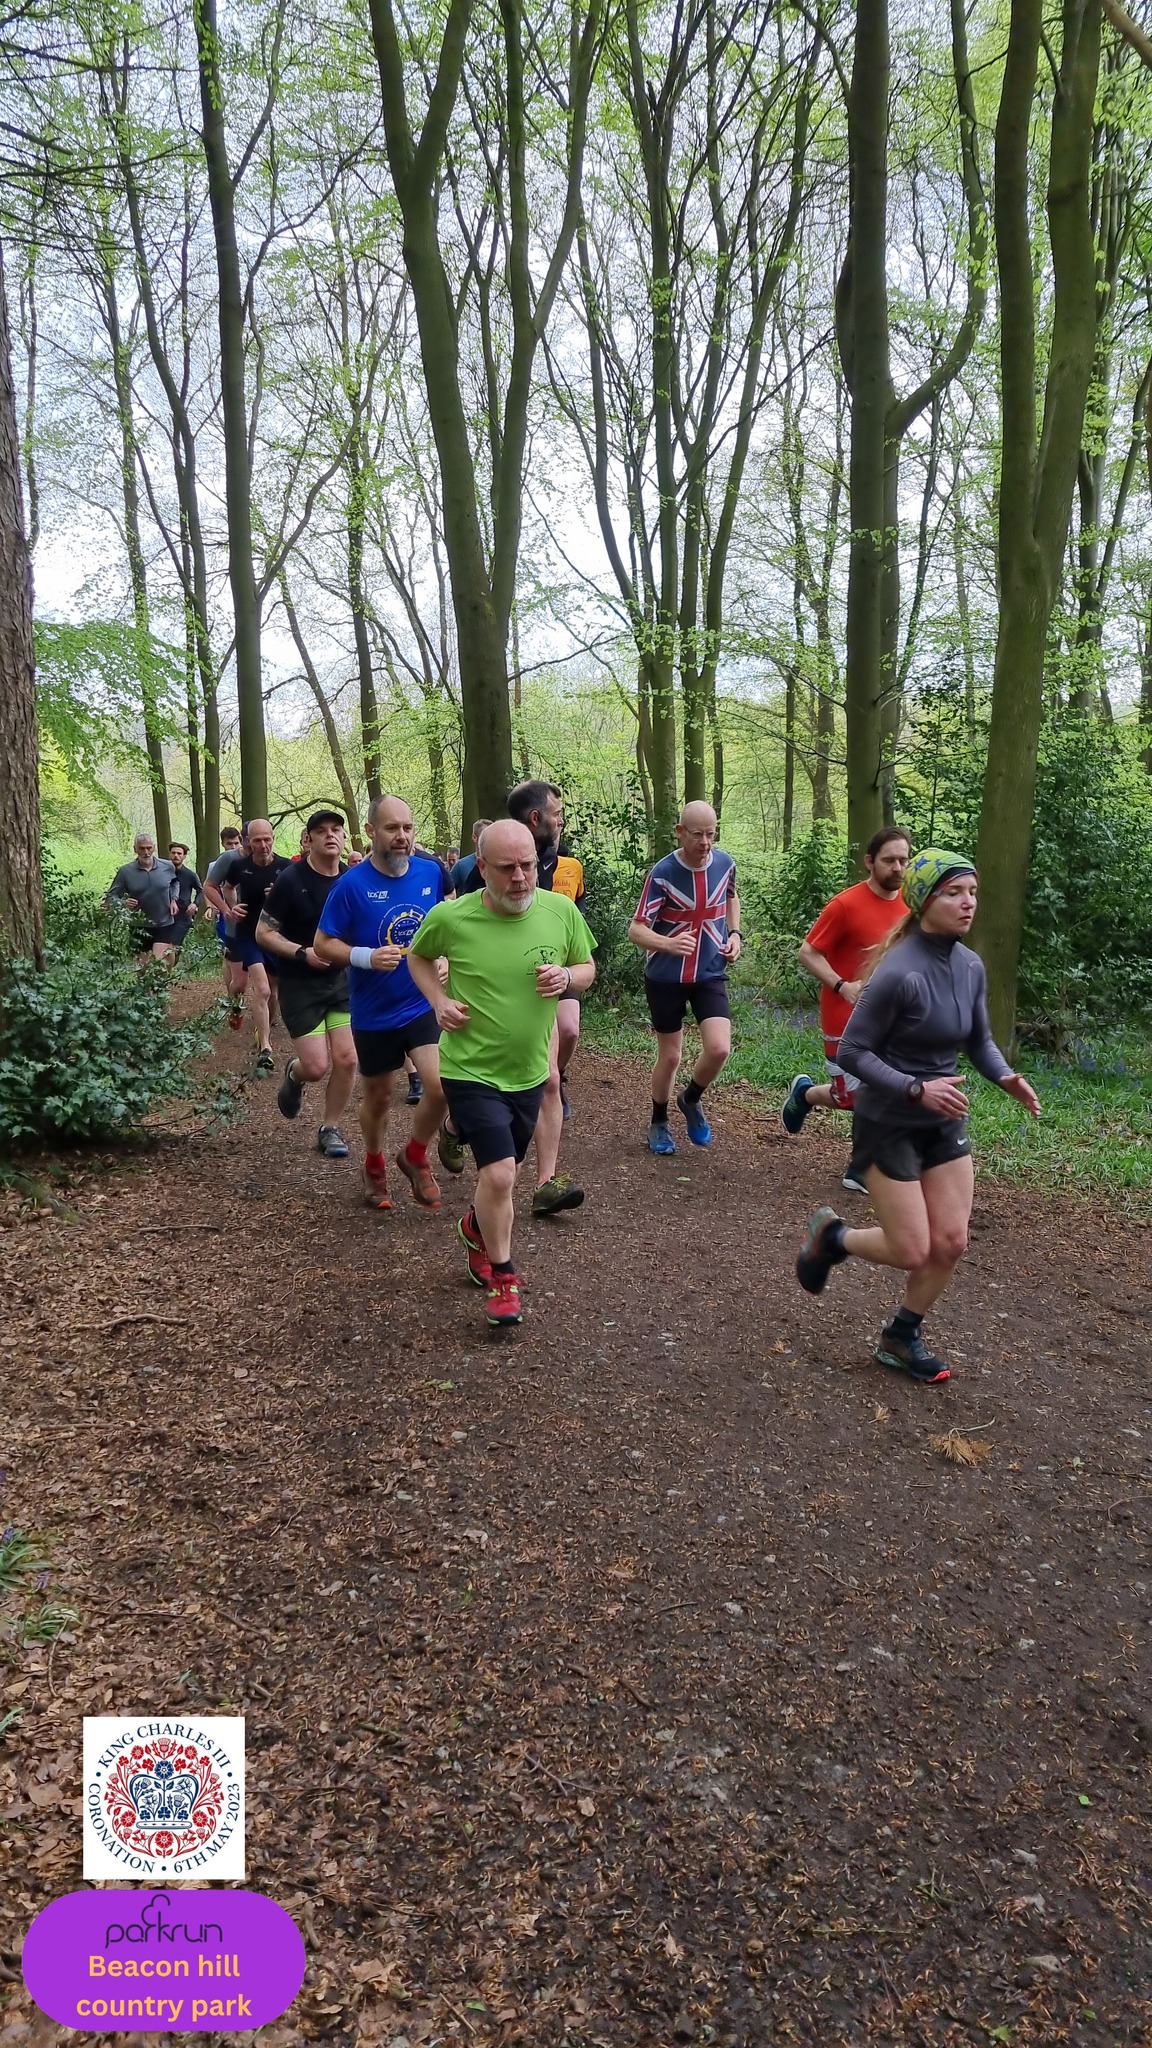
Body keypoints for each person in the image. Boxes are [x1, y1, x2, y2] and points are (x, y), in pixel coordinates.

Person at [794, 850, 1041, 1384]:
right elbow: (854, 1052)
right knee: (911, 1248)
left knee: (951, 1242)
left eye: (972, 892)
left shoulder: (970, 966)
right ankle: (833, 1238)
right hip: (888, 1119)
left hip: (943, 1117)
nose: (967, 902)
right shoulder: (897, 971)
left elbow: (979, 1041)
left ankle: (901, 1335)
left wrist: (1005, 1077)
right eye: (954, 893)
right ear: (925, 900)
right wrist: (914, 1088)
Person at [407, 819, 597, 1327]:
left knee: (499, 1181)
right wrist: (439, 1000)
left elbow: (587, 966)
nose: (520, 877)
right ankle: (505, 1277)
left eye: (529, 865)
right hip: (469, 1067)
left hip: (530, 1071)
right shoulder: (453, 917)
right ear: (482, 868)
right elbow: (419, 957)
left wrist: (567, 977)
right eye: (508, 868)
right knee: (500, 1174)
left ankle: (474, 1226)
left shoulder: (560, 912)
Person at [314, 794, 449, 1210]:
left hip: (421, 1003)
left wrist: (445, 956)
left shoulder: (432, 873)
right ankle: (374, 1164)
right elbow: (322, 943)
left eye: (407, 828)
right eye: (392, 828)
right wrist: (365, 957)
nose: (402, 837)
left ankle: (414, 1153)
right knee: (378, 1097)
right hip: (374, 1011)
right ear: (371, 832)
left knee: (442, 1088)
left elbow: (448, 922)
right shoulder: (350, 886)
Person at [458, 781, 586, 1210]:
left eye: (526, 866)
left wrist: (567, 971)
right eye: (557, 811)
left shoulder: (568, 866)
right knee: (540, 1075)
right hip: (495, 995)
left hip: (551, 978)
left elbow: (577, 935)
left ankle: (546, 1181)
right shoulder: (477, 867)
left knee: (554, 1065)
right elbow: (466, 926)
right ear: (536, 818)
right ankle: (458, 1122)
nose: (562, 819)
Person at [781, 827, 912, 1192]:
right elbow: (808, 952)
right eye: (889, 860)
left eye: (904, 860)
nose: (898, 867)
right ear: (870, 862)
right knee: (852, 1096)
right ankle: (806, 1096)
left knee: (882, 1090)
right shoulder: (844, 905)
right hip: (844, 1012)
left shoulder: (913, 909)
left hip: (891, 1018)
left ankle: (860, 1166)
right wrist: (843, 985)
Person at [628, 801, 741, 1154]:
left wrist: (735, 934)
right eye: (697, 835)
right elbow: (636, 930)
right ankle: (658, 1121)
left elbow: (732, 896)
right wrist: (668, 943)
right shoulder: (662, 873)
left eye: (711, 833)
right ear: (680, 833)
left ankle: (690, 1098)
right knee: (672, 1055)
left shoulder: (725, 864)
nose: (706, 842)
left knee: (720, 1047)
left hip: (709, 971)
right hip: (665, 977)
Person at [255, 810, 357, 1159]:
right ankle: (294, 1076)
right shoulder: (290, 880)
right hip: (299, 982)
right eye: (321, 831)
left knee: (347, 1059)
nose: (330, 836)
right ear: (308, 838)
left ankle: (330, 1128)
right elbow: (263, 933)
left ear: (344, 838)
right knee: (316, 1066)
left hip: (341, 982)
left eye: (336, 830)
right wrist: (302, 953)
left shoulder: (353, 880)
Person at [206, 820, 290, 1073]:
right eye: (256, 841)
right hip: (248, 934)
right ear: (247, 842)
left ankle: (262, 1029)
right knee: (262, 989)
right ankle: (265, 1047)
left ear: (273, 838)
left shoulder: (286, 868)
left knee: (274, 993)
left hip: (275, 936)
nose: (263, 845)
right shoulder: (238, 866)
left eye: (267, 839)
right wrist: (230, 908)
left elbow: (301, 901)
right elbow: (223, 887)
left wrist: (280, 895)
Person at [104, 833, 180, 961]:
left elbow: (174, 882)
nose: (146, 852)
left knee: (158, 960)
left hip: (164, 922)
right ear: (135, 849)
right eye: (142, 848)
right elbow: (111, 896)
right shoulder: (125, 872)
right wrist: (123, 903)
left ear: (154, 848)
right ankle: (148, 980)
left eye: (149, 848)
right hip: (138, 925)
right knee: (142, 968)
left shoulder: (167, 866)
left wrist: (174, 899)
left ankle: (165, 978)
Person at [204, 825, 245, 1024]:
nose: (233, 846)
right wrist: (213, 908)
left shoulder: (250, 859)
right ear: (223, 843)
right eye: (229, 843)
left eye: (236, 842)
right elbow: (209, 888)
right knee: (229, 957)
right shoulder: (216, 864)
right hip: (226, 915)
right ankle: (232, 995)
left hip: (246, 915)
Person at [167, 843, 205, 952]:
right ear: (169, 854)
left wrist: (195, 904)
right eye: (173, 853)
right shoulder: (163, 873)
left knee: (171, 946)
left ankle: (171, 961)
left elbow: (201, 891)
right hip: (165, 914)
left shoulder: (190, 875)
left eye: (179, 853)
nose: (176, 856)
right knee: (164, 946)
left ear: (184, 856)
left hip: (183, 916)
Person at [448, 819, 491, 895]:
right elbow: (449, 893)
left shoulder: (500, 865)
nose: (490, 839)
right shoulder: (461, 866)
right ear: (474, 837)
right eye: (484, 835)